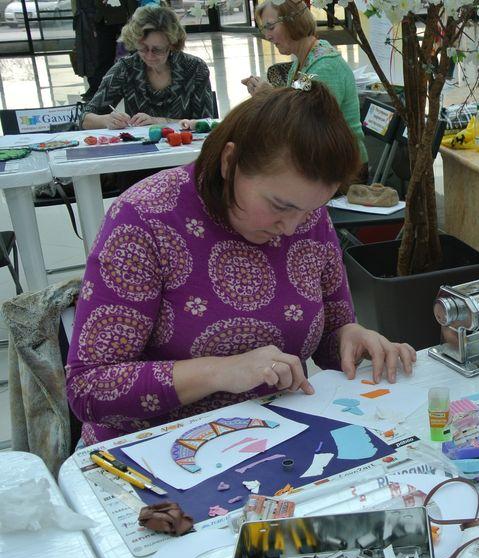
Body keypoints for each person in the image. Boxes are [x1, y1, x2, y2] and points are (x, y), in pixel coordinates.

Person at [66, 84, 416, 446]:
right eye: (280, 206)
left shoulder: (307, 216)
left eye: (310, 209)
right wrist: (220, 371)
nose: (291, 228)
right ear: (230, 162)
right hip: (152, 449)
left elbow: (330, 333)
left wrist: (349, 337)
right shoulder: (144, 219)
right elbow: (88, 387)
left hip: (272, 438)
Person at [241, 0, 368, 171]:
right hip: (322, 161)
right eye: (264, 29)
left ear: (293, 21)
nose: (267, 36)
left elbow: (309, 124)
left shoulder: (325, 66)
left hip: (342, 168)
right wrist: (267, 95)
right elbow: (297, 105)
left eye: (270, 27)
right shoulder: (304, 60)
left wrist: (270, 97)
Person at [80, 5, 215, 130]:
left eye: (157, 49)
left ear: (172, 44)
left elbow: (206, 123)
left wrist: (160, 121)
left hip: (186, 145)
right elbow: (85, 118)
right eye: (143, 48)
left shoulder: (195, 68)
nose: (150, 56)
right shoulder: (126, 69)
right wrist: (106, 120)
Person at [74, 0, 139, 100]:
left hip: (123, 17)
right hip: (104, 19)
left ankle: (138, 87)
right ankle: (97, 90)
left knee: (135, 54)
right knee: (104, 57)